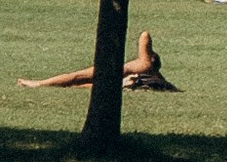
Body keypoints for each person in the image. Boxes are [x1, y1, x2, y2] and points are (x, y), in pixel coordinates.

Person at [21, 30, 177, 92]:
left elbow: (145, 35)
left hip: (111, 70)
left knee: (76, 76)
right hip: (118, 77)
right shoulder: (153, 73)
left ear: (151, 58)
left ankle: (40, 83)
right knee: (84, 84)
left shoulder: (144, 62)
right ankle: (45, 84)